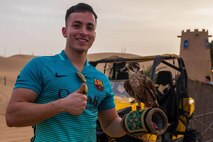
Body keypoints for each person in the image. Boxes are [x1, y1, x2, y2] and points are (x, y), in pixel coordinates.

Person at [6, 3, 126, 142]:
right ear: (64, 31)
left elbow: (110, 124)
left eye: (89, 27)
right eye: (76, 25)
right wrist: (61, 105)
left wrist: (132, 124)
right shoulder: (40, 66)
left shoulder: (101, 79)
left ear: (94, 34)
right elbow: (12, 116)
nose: (84, 32)